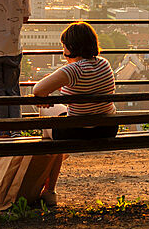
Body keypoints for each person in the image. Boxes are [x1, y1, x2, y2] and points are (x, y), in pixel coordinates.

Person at [31, 21, 118, 207]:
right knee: (57, 117)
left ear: (71, 47)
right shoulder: (104, 64)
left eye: (64, 46)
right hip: (106, 129)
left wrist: (45, 99)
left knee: (45, 116)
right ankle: (51, 180)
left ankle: (49, 189)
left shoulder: (73, 70)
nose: (63, 50)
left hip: (78, 132)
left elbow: (38, 89)